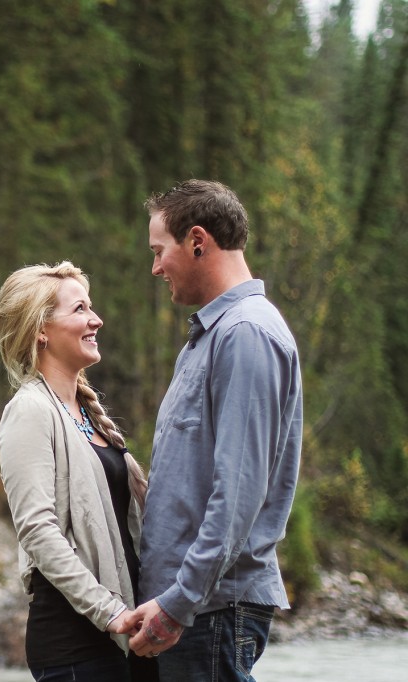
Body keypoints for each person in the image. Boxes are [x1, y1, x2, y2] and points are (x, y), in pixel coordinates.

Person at [120, 180, 303, 681]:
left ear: (197, 241)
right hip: (193, 608)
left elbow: (237, 495)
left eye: (160, 251)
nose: (156, 267)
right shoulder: (211, 337)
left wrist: (179, 602)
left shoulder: (245, 334)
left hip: (210, 610)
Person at [0, 261, 158, 682]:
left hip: (128, 635)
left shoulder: (88, 415)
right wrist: (110, 612)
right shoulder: (29, 411)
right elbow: (37, 530)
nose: (96, 319)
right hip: (77, 645)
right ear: (40, 330)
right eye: (80, 309)